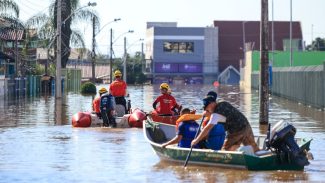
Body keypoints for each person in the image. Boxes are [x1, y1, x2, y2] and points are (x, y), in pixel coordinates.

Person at [191, 91, 260, 152]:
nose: (206, 110)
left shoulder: (215, 115)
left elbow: (207, 128)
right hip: (245, 125)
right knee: (254, 149)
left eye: (207, 108)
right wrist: (209, 113)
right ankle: (259, 157)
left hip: (236, 131)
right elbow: (223, 116)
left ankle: (233, 159)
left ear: (212, 104)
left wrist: (196, 140)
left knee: (225, 150)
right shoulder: (223, 103)